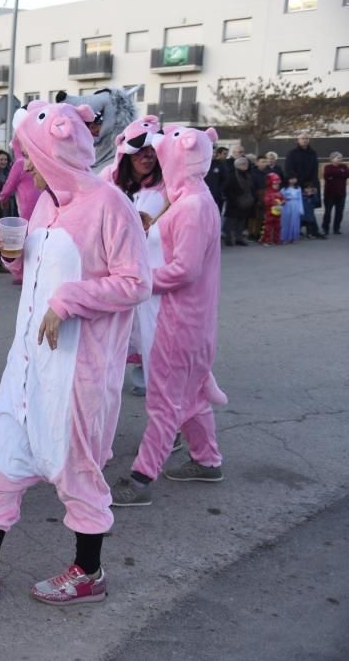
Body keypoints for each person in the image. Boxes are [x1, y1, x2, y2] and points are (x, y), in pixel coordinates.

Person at [0, 100, 150, 607]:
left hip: (76, 370)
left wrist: (70, 300)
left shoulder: (108, 204)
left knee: (77, 469)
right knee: (1, 460)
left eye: (28, 152)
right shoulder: (47, 204)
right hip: (27, 363)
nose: (22, 164)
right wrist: (14, 257)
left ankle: (88, 572)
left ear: (52, 149)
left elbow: (136, 282)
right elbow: (40, 271)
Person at [111, 125, 228, 508]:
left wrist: (138, 282)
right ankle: (207, 460)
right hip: (182, 319)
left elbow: (184, 270)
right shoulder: (188, 198)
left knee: (164, 404)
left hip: (176, 322)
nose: (155, 157)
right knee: (191, 395)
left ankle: (142, 479)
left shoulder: (193, 205)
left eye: (162, 153)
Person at [101, 115, 166, 398]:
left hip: (154, 277)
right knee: (114, 338)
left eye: (152, 152)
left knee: (154, 339)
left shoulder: (169, 186)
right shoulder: (109, 182)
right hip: (116, 275)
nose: (147, 157)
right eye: (140, 152)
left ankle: (157, 396)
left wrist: (154, 223)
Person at [285, 134, 325, 239]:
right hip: (297, 185)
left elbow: (315, 169)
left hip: (310, 185)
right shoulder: (292, 153)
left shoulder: (313, 153)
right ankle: (296, 229)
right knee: (298, 209)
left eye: (307, 138)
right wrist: (294, 181)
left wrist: (312, 185)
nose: (305, 140)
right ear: (297, 140)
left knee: (310, 208)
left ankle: (312, 231)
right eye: (302, 138)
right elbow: (289, 168)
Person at [222, 156, 255, 246]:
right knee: (230, 222)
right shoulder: (232, 176)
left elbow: (251, 187)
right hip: (234, 202)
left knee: (241, 221)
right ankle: (228, 239)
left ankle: (239, 238)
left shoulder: (248, 175)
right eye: (243, 164)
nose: (246, 165)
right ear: (237, 165)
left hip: (245, 202)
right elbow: (226, 189)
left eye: (246, 164)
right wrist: (233, 199)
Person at [322, 152, 347, 235]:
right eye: (338, 157)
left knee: (339, 212)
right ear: (332, 159)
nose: (340, 159)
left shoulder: (344, 167)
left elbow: (346, 174)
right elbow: (327, 176)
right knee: (328, 212)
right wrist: (340, 173)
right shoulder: (327, 167)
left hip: (341, 193)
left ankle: (336, 228)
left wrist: (334, 175)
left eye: (341, 157)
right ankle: (325, 228)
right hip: (329, 194)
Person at [260, 173, 284, 246]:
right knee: (268, 227)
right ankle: (266, 240)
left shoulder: (279, 192)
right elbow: (266, 201)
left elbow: (283, 199)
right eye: (275, 184)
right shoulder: (268, 192)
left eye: (278, 184)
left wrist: (283, 202)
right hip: (269, 213)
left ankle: (276, 240)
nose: (277, 186)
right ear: (270, 184)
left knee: (278, 227)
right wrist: (274, 202)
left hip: (278, 213)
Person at [280, 176, 304, 244]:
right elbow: (280, 198)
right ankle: (284, 237)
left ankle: (293, 237)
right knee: (286, 221)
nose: (293, 180)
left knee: (295, 221)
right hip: (287, 205)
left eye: (294, 178)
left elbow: (300, 199)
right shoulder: (284, 189)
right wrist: (280, 207)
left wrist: (300, 209)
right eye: (291, 178)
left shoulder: (298, 188)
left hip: (296, 205)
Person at [204, 146, 228, 215]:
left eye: (214, 152)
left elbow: (225, 179)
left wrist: (219, 191)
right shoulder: (201, 164)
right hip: (202, 196)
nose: (213, 154)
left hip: (215, 196)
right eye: (212, 152)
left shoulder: (220, 165)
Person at [0, 150, 15, 216]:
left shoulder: (10, 171)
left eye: (5, 159)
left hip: (10, 202)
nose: (4, 162)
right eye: (1, 159)